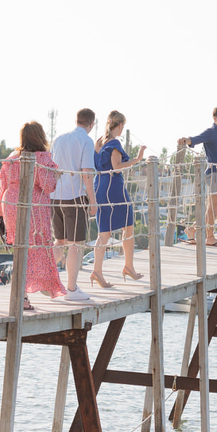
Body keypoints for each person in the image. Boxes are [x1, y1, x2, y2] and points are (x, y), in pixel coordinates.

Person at [0, 121, 64, 308]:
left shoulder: (12, 157)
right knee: (35, 249)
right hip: (33, 208)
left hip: (10, 204)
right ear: (40, 136)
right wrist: (55, 175)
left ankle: (23, 294)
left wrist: (0, 211)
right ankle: (31, 291)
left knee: (21, 250)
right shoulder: (42, 157)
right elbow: (47, 186)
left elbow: (3, 186)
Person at [92, 110, 147, 284]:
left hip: (99, 186)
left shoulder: (99, 142)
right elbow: (116, 167)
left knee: (104, 232)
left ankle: (97, 271)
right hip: (114, 188)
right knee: (128, 226)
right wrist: (137, 159)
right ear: (121, 125)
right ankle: (128, 266)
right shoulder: (115, 143)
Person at [50, 108, 98, 300]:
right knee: (76, 244)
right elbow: (87, 172)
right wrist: (92, 200)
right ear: (91, 124)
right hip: (75, 197)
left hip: (55, 196)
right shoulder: (86, 140)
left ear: (76, 120)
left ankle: (46, 279)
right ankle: (71, 289)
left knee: (59, 241)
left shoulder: (58, 139)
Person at [177, 105, 217, 247]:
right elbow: (196, 139)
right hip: (214, 173)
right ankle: (210, 237)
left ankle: (192, 229)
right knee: (212, 207)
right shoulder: (211, 132)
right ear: (215, 118)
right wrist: (186, 140)